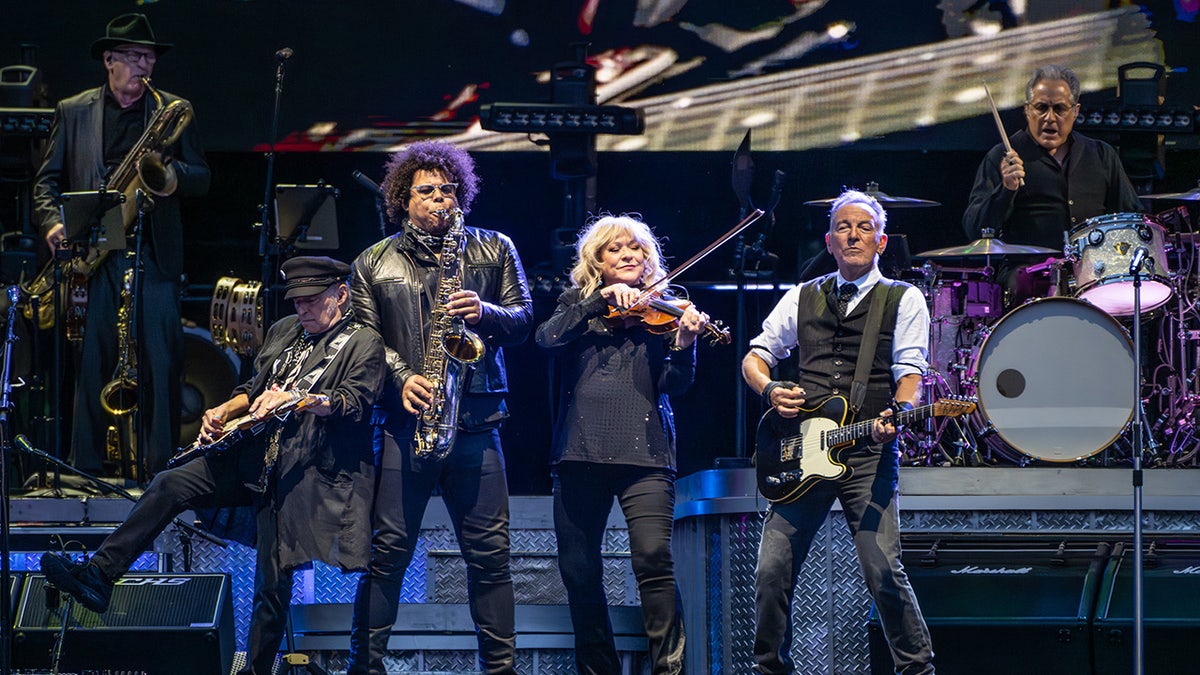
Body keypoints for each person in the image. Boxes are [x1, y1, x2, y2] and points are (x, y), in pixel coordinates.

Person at [40, 256, 384, 675]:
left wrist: (296, 399)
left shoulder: (362, 341)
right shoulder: (283, 331)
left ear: (341, 294)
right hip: (250, 458)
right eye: (296, 301)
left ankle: (257, 669)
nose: (302, 309)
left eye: (312, 301)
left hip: (302, 473)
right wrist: (224, 409)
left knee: (272, 586)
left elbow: (353, 403)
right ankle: (99, 575)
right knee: (170, 482)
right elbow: (250, 388)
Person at [349, 140, 533, 675]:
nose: (438, 200)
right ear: (402, 199)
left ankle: (500, 670)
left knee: (491, 560)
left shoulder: (494, 247)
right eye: (425, 191)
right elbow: (360, 339)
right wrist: (401, 377)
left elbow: (524, 320)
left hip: (476, 423)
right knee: (385, 559)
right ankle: (366, 668)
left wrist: (488, 311)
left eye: (447, 190)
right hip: (407, 428)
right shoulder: (372, 261)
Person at [742, 189, 935, 674]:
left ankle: (918, 669)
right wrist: (770, 391)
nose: (853, 234)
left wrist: (902, 410)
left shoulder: (903, 298)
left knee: (883, 569)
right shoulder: (801, 296)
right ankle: (771, 669)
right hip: (802, 451)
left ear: (882, 241)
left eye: (864, 227)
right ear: (829, 241)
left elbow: (910, 370)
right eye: (844, 227)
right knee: (771, 572)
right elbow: (756, 356)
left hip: (867, 448)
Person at [32, 12, 211, 476]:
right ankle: (85, 470)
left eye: (148, 56)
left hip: (154, 249)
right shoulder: (73, 111)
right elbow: (45, 183)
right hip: (94, 253)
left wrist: (172, 179)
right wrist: (54, 226)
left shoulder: (170, 108)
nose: (143, 64)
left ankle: (163, 471)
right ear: (109, 59)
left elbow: (202, 177)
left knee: (162, 362)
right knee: (93, 362)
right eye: (133, 56)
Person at [534, 214, 706, 674]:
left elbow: (675, 384)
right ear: (597, 260)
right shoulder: (576, 304)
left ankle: (668, 669)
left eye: (636, 249)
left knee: (653, 560)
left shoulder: (665, 311)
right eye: (616, 249)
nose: (629, 255)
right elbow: (546, 340)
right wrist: (596, 302)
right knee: (579, 571)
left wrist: (685, 343)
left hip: (646, 454)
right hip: (579, 451)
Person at [963, 63, 1141, 305]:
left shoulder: (1101, 154)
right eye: (1041, 108)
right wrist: (1006, 189)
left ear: (1075, 111)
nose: (1049, 118)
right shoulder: (1002, 156)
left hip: (1095, 277)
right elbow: (975, 228)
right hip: (1028, 281)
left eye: (1059, 109)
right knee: (1020, 281)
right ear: (1027, 110)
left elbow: (1130, 217)